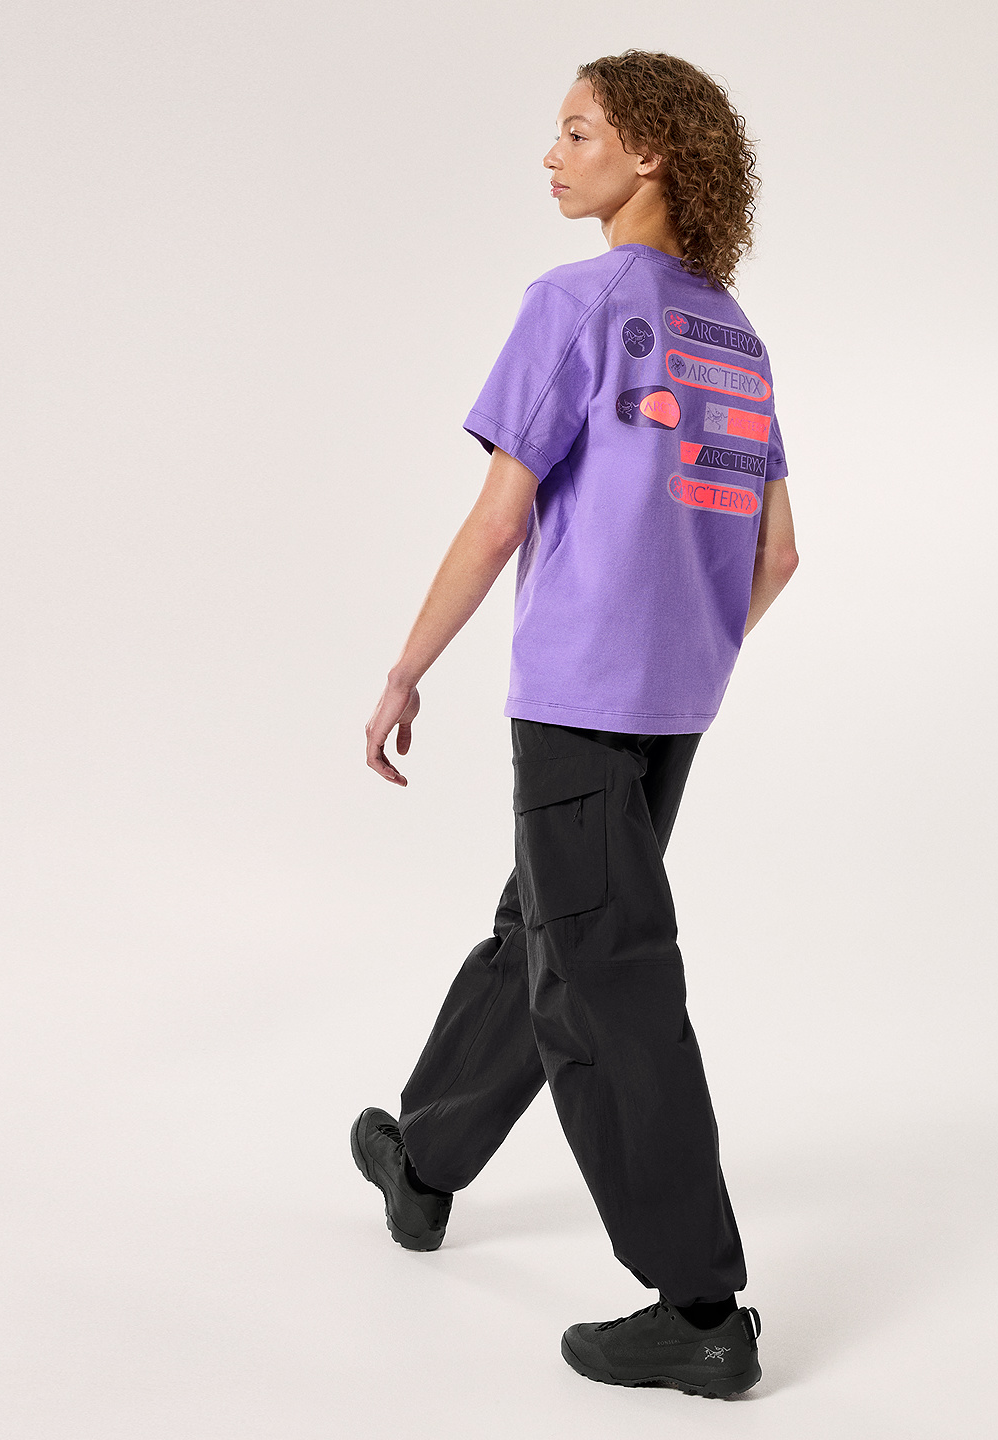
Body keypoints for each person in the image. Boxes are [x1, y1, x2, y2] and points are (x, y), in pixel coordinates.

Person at [353, 50, 798, 1399]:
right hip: (671, 706)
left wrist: (405, 670)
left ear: (649, 151)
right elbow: (778, 553)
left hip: (578, 697)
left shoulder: (575, 304)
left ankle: (701, 1307)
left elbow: (501, 518)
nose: (552, 154)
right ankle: (423, 1158)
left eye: (578, 130)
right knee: (544, 933)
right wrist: (686, 651)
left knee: (605, 980)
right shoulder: (734, 335)